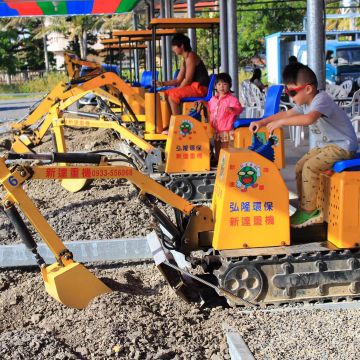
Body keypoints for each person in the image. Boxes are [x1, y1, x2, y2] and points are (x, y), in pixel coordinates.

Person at [249, 63, 358, 228]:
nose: (290, 96)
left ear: (307, 89)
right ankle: (304, 208)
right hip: (328, 147)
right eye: (287, 92)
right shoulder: (305, 104)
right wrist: (262, 122)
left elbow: (309, 119)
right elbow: (286, 112)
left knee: (310, 167)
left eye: (292, 92)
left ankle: (309, 211)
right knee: (300, 166)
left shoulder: (322, 99)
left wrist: (281, 123)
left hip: (343, 147)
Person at [157, 34, 210, 115]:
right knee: (164, 93)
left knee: (173, 96)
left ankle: (176, 122)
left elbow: (188, 80)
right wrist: (162, 83)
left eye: (174, 46)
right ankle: (168, 122)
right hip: (194, 87)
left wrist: (178, 89)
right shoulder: (185, 59)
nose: (172, 49)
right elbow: (178, 80)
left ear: (181, 46)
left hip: (200, 88)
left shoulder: (191, 56)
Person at [208, 73, 243, 162]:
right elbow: (209, 108)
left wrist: (232, 109)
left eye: (224, 84)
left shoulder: (232, 99)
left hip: (226, 129)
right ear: (215, 86)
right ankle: (217, 160)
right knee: (217, 146)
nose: (221, 87)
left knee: (225, 147)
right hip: (216, 129)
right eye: (219, 84)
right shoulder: (213, 99)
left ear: (229, 85)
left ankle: (225, 162)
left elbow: (239, 109)